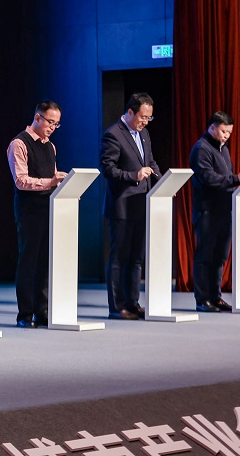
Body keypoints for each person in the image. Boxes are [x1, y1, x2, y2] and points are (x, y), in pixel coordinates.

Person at [5, 101, 68, 328]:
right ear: (38, 118)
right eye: (50, 122)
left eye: (57, 124)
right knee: (28, 261)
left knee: (44, 262)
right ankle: (25, 313)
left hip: (48, 208)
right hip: (29, 210)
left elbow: (52, 177)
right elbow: (21, 181)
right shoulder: (19, 143)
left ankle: (43, 310)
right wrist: (50, 182)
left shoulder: (50, 146)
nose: (52, 127)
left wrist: (65, 190)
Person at [99, 92, 161, 320]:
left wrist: (162, 183)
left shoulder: (144, 133)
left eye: (149, 118)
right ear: (130, 112)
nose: (146, 122)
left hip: (141, 203)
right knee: (119, 257)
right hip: (122, 205)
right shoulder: (113, 134)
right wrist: (134, 175)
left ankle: (133, 303)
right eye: (143, 117)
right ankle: (117, 307)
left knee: (136, 258)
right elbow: (108, 169)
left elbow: (150, 162)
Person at [189, 111, 240, 312]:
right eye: (224, 131)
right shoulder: (201, 149)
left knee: (220, 256)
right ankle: (202, 299)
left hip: (224, 210)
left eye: (229, 132)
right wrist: (235, 179)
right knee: (205, 255)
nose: (226, 136)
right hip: (207, 210)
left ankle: (215, 297)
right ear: (212, 127)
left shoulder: (224, 149)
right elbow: (208, 178)